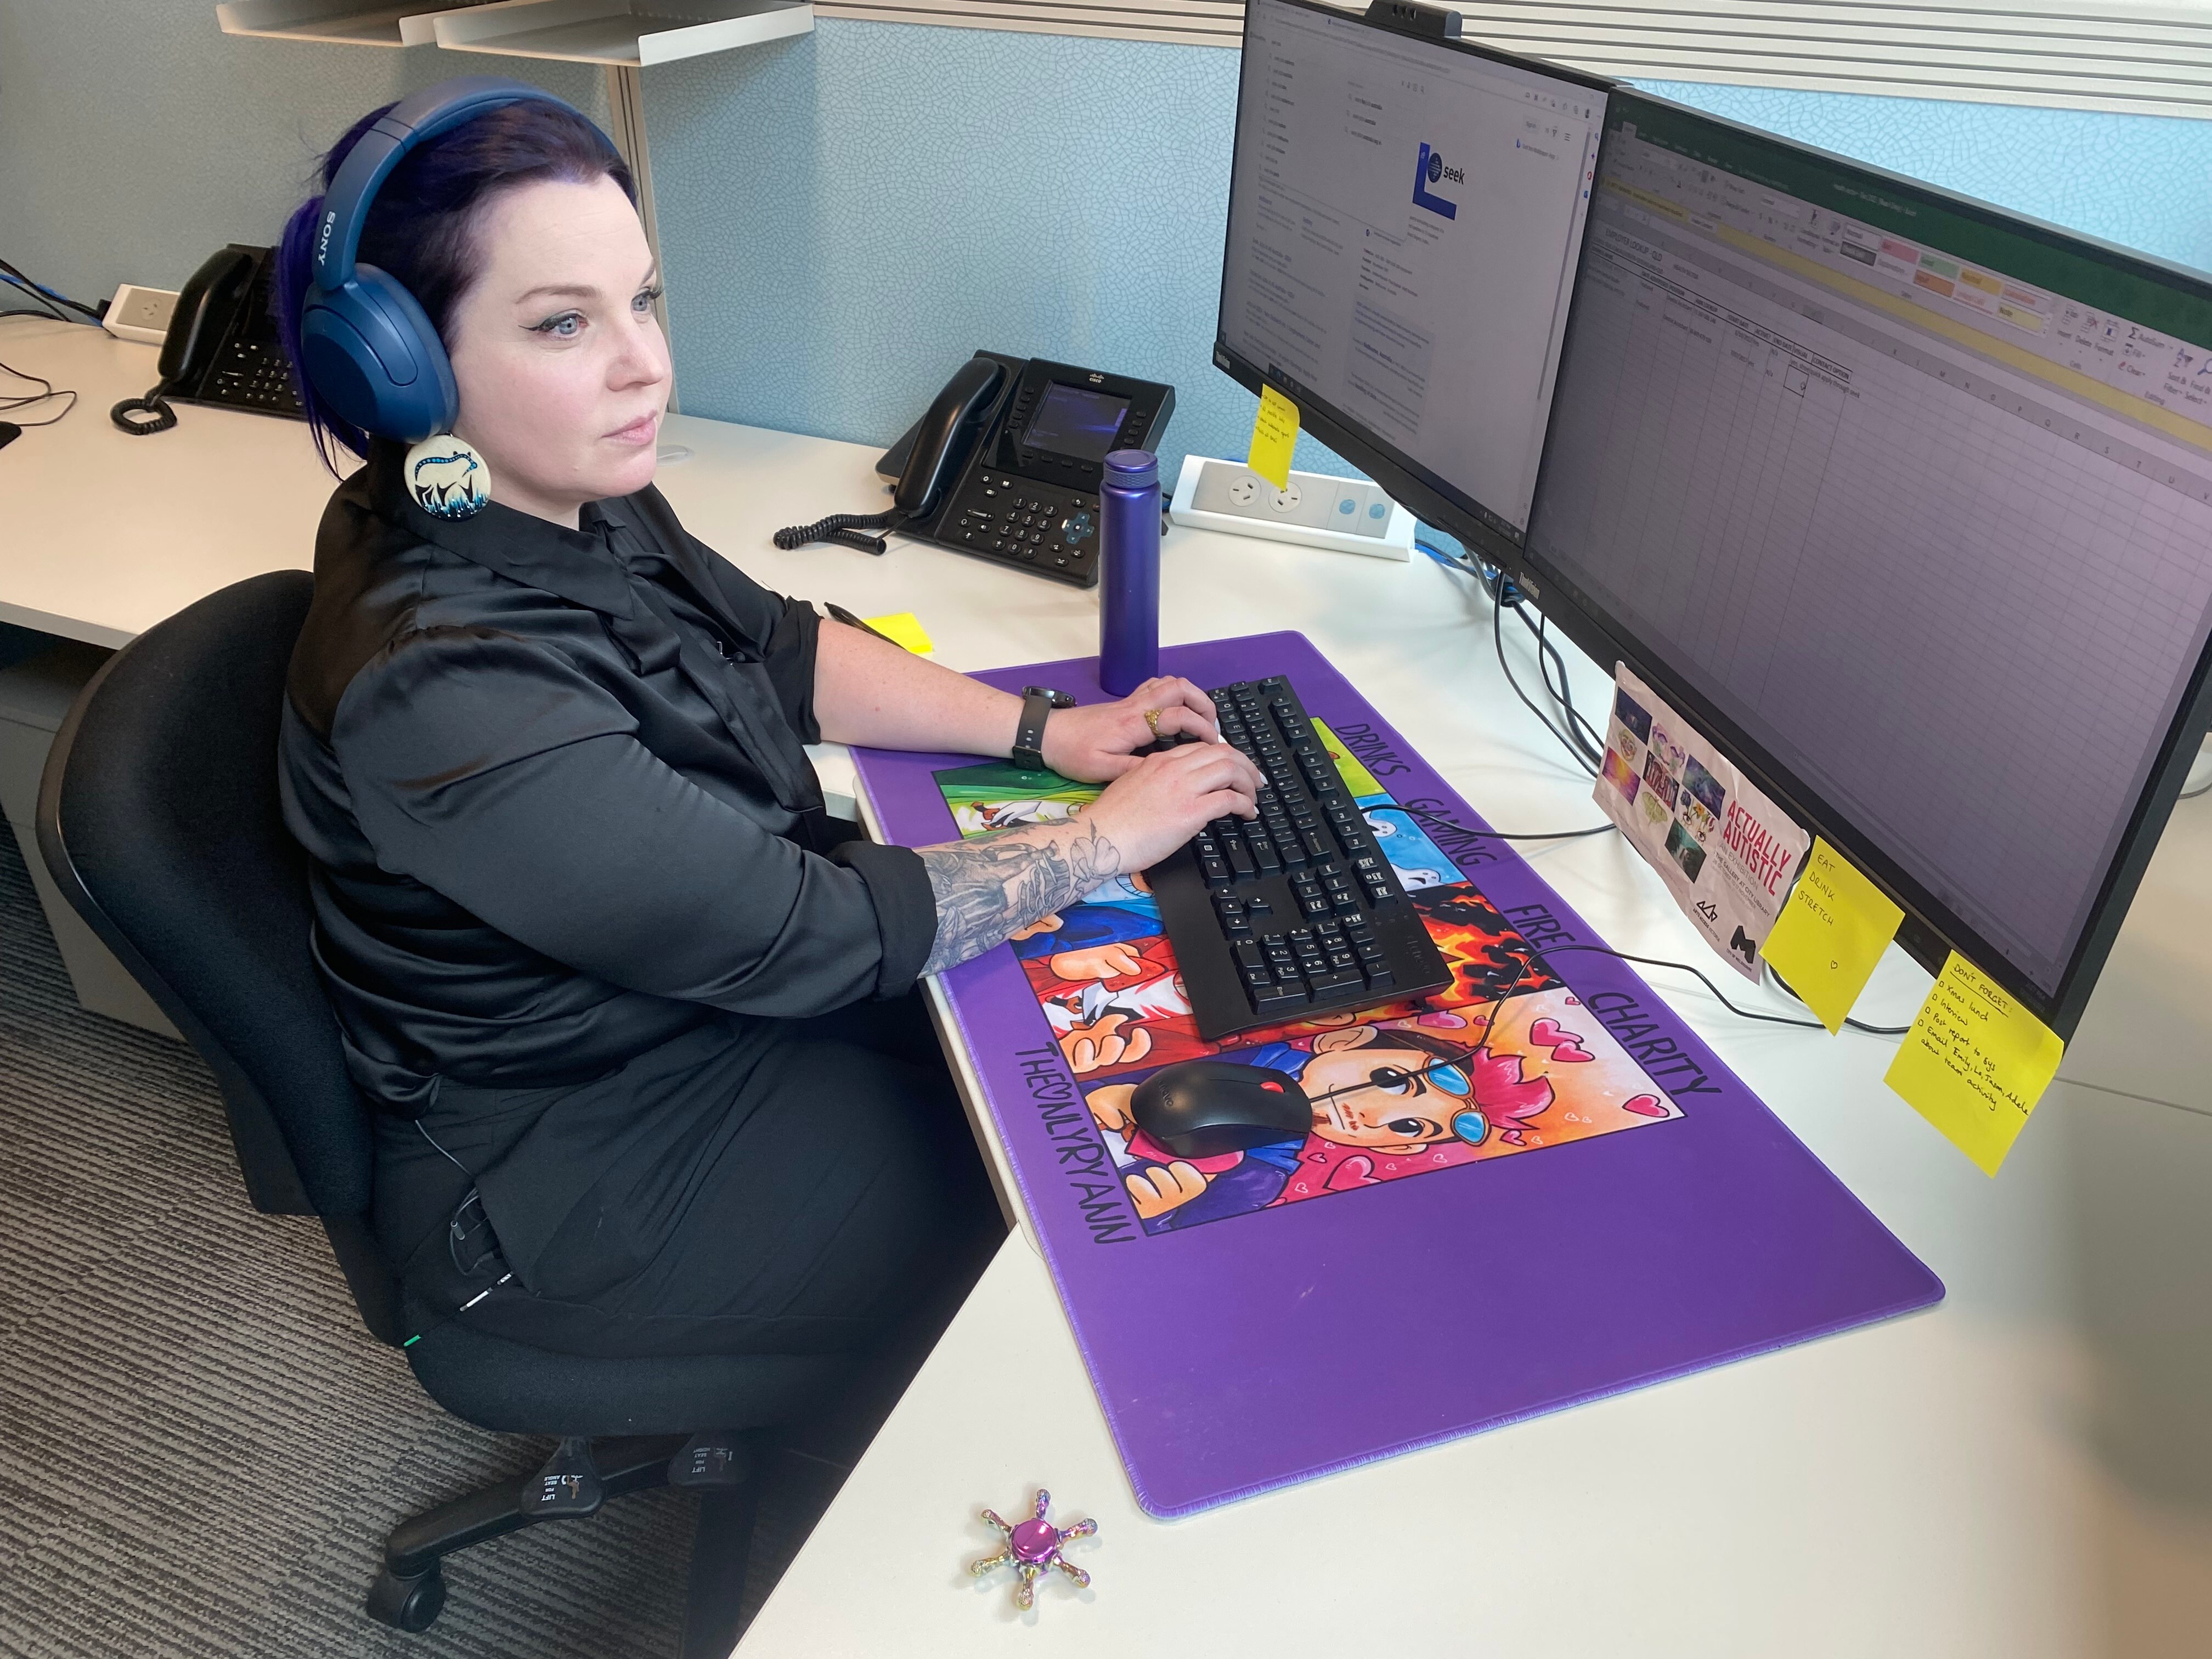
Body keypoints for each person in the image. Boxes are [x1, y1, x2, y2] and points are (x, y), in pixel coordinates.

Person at [270, 83, 1261, 1369]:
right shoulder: (444, 681)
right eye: (563, 323)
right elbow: (816, 932)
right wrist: (1103, 843)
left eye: (643, 301)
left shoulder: (565, 491)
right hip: (586, 1159)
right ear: (397, 366)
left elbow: (783, 648)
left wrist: (1048, 737)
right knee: (1082, 1217)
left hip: (707, 1007)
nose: (644, 363)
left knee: (1080, 1065)